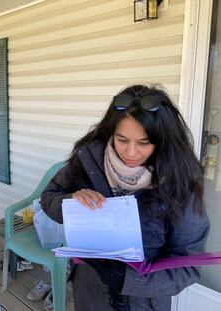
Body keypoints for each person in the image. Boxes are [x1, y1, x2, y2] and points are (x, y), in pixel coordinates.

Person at [41, 84, 210, 311]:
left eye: (144, 143)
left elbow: (188, 266)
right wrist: (72, 202)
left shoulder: (180, 181)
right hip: (89, 294)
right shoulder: (87, 159)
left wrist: (128, 279)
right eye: (121, 140)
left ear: (163, 140)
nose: (131, 153)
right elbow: (49, 197)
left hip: (144, 302)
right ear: (110, 132)